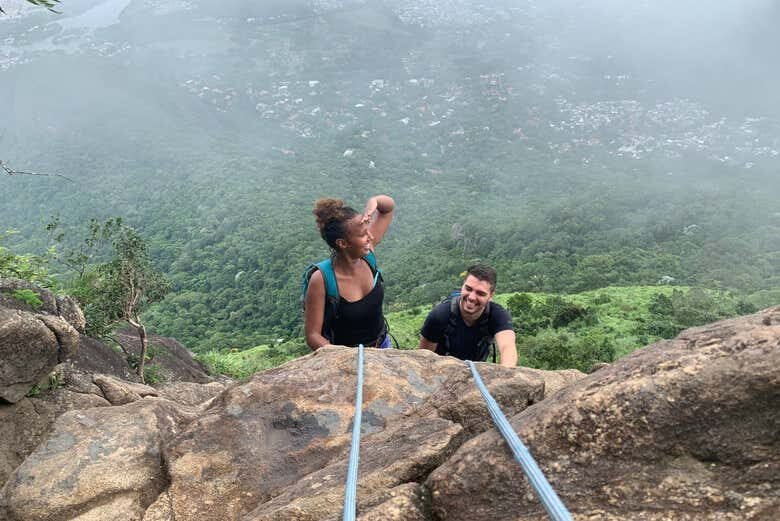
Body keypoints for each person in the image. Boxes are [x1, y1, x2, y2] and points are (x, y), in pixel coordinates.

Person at [304, 194, 395, 350]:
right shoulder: (322, 280)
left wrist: (373, 201)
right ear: (343, 243)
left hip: (383, 346)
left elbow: (387, 209)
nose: (370, 237)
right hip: (348, 357)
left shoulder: (368, 257)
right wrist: (346, 357)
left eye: (368, 231)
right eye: (363, 234)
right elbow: (313, 335)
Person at [418, 264, 517, 367]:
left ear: (491, 296)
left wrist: (506, 371)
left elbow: (507, 347)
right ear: (462, 286)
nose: (472, 297)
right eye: (468, 289)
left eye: (480, 293)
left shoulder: (498, 315)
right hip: (441, 371)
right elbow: (424, 359)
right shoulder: (439, 315)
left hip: (477, 372)